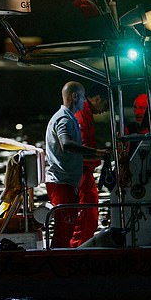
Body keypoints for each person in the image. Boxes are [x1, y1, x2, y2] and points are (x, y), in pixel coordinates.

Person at [45, 81, 108, 248]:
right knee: (64, 229)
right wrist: (97, 153)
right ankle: (61, 262)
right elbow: (66, 144)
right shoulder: (65, 119)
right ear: (75, 97)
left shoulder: (70, 118)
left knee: (68, 226)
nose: (84, 102)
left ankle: (65, 257)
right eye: (82, 98)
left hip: (68, 181)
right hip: (62, 182)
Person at [70, 83, 109, 247]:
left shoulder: (83, 114)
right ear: (97, 99)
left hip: (83, 172)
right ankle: (79, 248)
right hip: (82, 173)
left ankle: (79, 245)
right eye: (105, 105)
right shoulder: (81, 115)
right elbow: (81, 150)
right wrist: (100, 154)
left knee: (88, 214)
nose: (105, 110)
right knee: (88, 215)